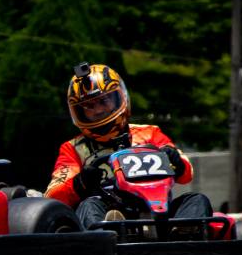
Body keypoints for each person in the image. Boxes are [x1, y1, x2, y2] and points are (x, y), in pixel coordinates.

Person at [44, 62, 211, 228]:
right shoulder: (73, 148)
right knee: (88, 206)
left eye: (103, 101)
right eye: (89, 106)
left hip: (158, 211)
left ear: (119, 97)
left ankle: (183, 237)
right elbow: (53, 196)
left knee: (197, 200)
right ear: (79, 111)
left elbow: (186, 174)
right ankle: (109, 233)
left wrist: (176, 160)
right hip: (108, 209)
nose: (98, 110)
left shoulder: (149, 133)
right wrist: (80, 183)